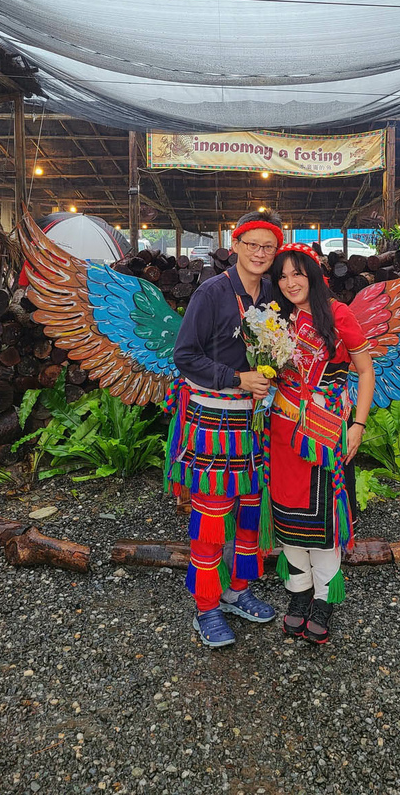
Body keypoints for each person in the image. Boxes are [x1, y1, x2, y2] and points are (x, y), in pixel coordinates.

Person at [165, 210, 283, 648]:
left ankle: (237, 590)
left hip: (256, 420)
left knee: (250, 510)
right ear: (235, 246)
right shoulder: (212, 293)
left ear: (275, 252)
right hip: (214, 416)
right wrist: (237, 379)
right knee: (212, 516)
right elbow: (184, 355)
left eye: (267, 247)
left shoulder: (273, 292)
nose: (259, 253)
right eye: (251, 244)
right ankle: (206, 606)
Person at [268, 243, 375, 644]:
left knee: (323, 517)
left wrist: (358, 425)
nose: (290, 282)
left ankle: (324, 600)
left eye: (297, 273)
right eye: (282, 275)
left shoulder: (339, 315)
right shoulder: (276, 319)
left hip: (327, 432)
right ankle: (299, 595)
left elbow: (365, 371)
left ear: (313, 275)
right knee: (287, 512)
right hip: (281, 431)